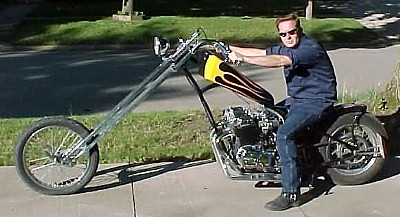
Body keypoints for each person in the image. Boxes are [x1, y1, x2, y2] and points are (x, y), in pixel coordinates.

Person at [228, 13, 337, 211]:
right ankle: (277, 165)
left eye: (292, 32)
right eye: (283, 34)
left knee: (284, 135)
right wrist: (227, 48)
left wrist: (243, 59)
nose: (288, 37)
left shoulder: (308, 48)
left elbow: (278, 60)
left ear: (299, 31)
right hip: (296, 101)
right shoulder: (288, 46)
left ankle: (291, 192)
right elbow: (263, 53)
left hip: (316, 101)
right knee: (266, 118)